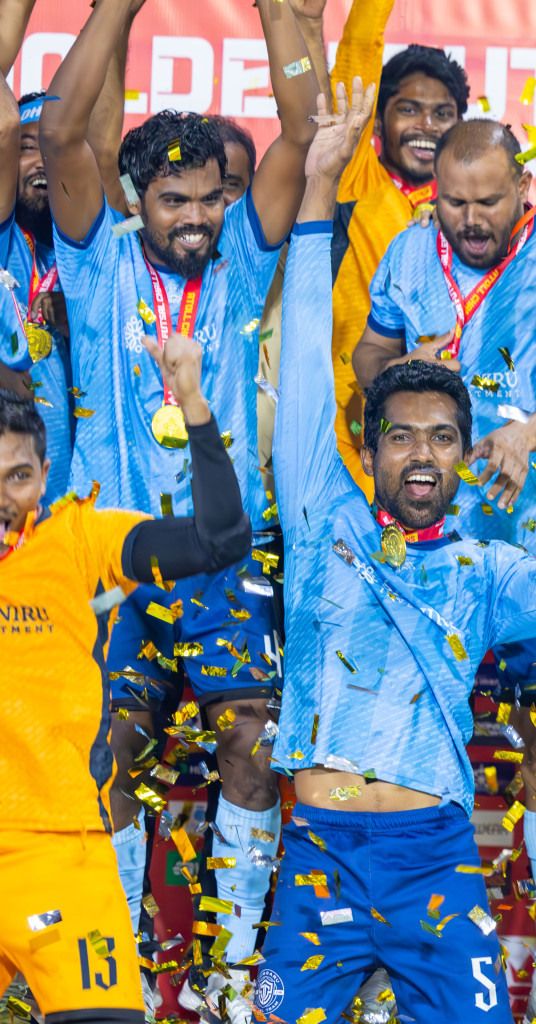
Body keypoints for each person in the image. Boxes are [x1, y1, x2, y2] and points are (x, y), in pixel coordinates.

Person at [255, 78, 536, 1024]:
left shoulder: (484, 570)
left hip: (434, 859)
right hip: (319, 859)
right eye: (399, 436)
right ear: (368, 444)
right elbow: (306, 350)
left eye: (440, 437)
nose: (419, 454)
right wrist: (316, 188)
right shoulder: (319, 519)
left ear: (466, 453)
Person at [39, 0, 321, 1013]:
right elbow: (60, 134)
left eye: (207, 198)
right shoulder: (94, 255)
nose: (194, 218)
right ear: (136, 197)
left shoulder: (245, 262)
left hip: (227, 559)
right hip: (115, 563)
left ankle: (229, 974)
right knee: (105, 752)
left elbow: (302, 132)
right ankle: (117, 955)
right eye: (172, 199)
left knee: (253, 740)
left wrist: (272, 11)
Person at [350, 118, 536, 1018]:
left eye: (487, 202)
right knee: (406, 744)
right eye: (453, 202)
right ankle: (391, 961)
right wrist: (388, 374)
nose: (467, 219)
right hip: (425, 553)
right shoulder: (405, 249)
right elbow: (370, 356)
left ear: (523, 189)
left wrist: (523, 435)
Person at [0, 322, 252, 1024]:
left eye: (18, 476)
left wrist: (193, 404)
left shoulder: (78, 540)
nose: (2, 498)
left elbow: (221, 540)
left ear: (45, 478)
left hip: (66, 853)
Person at [0, 0, 141, 507]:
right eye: (26, 147)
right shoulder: (4, 243)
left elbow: (101, 152)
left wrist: (115, 16)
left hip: (94, 512)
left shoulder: (105, 244)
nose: (41, 162)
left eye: (51, 148)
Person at [328, 11, 470, 489]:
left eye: (443, 113)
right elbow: (359, 49)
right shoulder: (353, 179)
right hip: (347, 438)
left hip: (442, 451)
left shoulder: (475, 220)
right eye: (408, 109)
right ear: (377, 118)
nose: (426, 126)